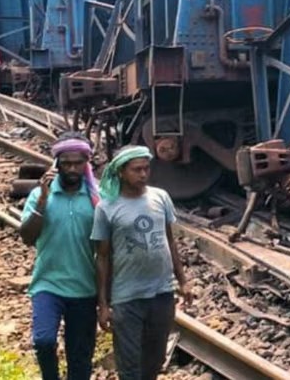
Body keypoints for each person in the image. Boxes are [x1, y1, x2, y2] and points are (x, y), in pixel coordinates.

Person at [93, 145, 192, 380]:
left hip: (162, 292)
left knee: (155, 360)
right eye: (136, 170)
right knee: (129, 366)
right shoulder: (106, 208)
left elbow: (170, 241)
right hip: (127, 296)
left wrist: (183, 281)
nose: (143, 174)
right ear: (120, 172)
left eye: (146, 169)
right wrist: (104, 304)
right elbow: (103, 257)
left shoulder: (161, 197)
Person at [20, 133, 102, 380]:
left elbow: (106, 250)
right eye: (66, 163)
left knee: (80, 357)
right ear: (56, 164)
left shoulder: (96, 199)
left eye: (79, 163)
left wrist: (106, 296)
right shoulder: (39, 196)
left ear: (86, 163)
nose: (73, 168)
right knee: (44, 341)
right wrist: (43, 200)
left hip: (85, 288)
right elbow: (27, 237)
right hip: (48, 284)